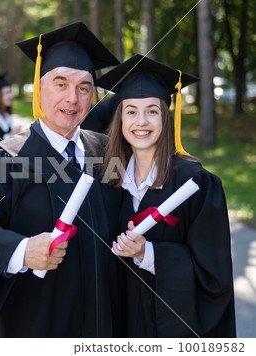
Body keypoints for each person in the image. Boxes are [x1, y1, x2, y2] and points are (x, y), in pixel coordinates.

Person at [0, 21, 121, 337]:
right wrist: (19, 251)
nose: (72, 98)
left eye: (84, 87)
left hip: (101, 325)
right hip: (34, 325)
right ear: (39, 88)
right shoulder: (2, 158)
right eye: (60, 84)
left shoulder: (105, 152)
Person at [98, 54, 236, 337]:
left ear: (166, 117)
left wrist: (147, 253)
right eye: (131, 111)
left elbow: (214, 275)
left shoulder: (196, 184)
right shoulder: (109, 182)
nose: (141, 122)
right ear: (120, 120)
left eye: (152, 111)